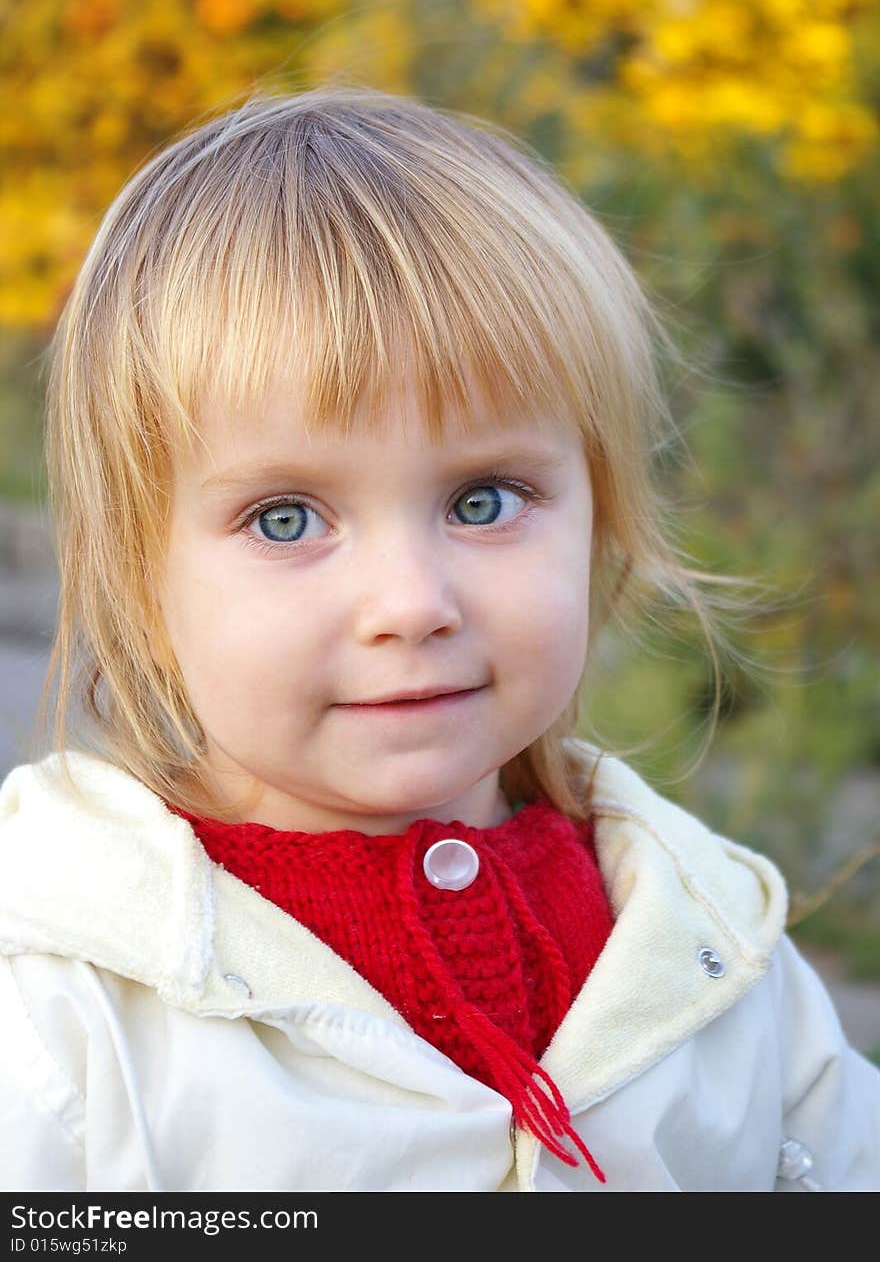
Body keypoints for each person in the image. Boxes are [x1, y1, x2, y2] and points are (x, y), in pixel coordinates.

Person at [1, 85, 878, 1194]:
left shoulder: (710, 940)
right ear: (139, 573)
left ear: (601, 517)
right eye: (286, 519)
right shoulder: (54, 1005)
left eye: (483, 499)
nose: (410, 603)